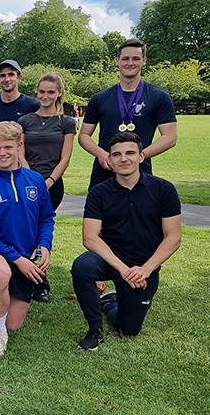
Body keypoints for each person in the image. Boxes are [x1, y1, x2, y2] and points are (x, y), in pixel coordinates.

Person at [72, 132, 181, 351]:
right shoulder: (99, 192)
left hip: (144, 266)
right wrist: (122, 269)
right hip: (110, 261)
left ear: (141, 156)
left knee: (128, 329)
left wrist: (145, 270)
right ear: (109, 160)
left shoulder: (164, 189)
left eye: (130, 153)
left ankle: (109, 302)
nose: (124, 159)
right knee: (82, 267)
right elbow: (90, 238)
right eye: (117, 154)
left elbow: (173, 237)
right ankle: (95, 330)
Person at [0, 121, 55, 356]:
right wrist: (17, 259)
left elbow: (47, 218)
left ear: (19, 145)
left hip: (28, 255)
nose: (2, 153)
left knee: (12, 324)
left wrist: (44, 246)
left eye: (7, 147)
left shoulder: (36, 180)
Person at [79, 38, 177, 190]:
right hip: (105, 170)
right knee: (98, 213)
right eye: (125, 58)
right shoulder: (100, 98)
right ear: (117, 61)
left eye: (136, 58)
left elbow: (170, 137)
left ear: (144, 61)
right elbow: (84, 135)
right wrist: (102, 154)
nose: (130, 63)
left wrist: (138, 156)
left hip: (140, 172)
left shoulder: (159, 97)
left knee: (140, 213)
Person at [18, 72, 76, 302]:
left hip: (52, 185)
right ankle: (26, 275)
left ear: (59, 93)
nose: (45, 96)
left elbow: (65, 158)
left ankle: (41, 282)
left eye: (51, 92)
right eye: (42, 92)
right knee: (25, 229)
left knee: (42, 229)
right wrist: (31, 177)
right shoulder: (26, 121)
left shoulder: (66, 122)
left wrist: (49, 181)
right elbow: (20, 152)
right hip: (27, 182)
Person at [0, 59, 39, 165]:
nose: (7, 79)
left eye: (11, 75)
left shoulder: (33, 106)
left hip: (23, 169)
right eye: (3, 75)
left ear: (19, 78)